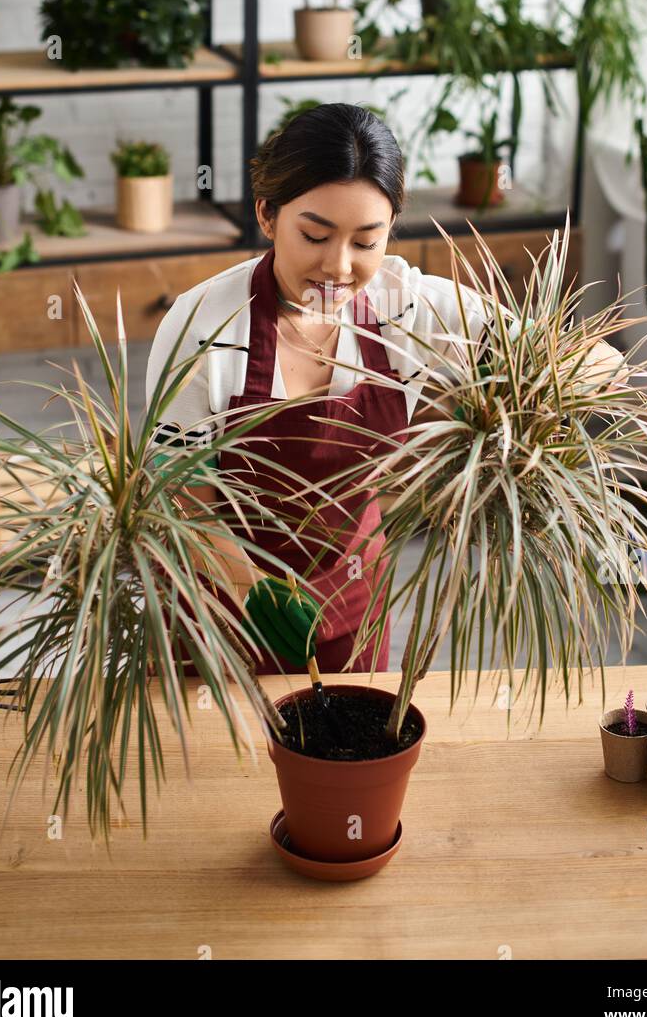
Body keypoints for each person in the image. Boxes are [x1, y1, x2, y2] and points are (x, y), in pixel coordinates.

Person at [144, 102, 621, 676]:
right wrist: (252, 592)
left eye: (366, 242)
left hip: (352, 599)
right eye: (315, 235)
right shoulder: (204, 326)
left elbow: (599, 363)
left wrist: (505, 417)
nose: (338, 266)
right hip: (219, 607)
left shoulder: (409, 307)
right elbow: (175, 497)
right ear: (267, 215)